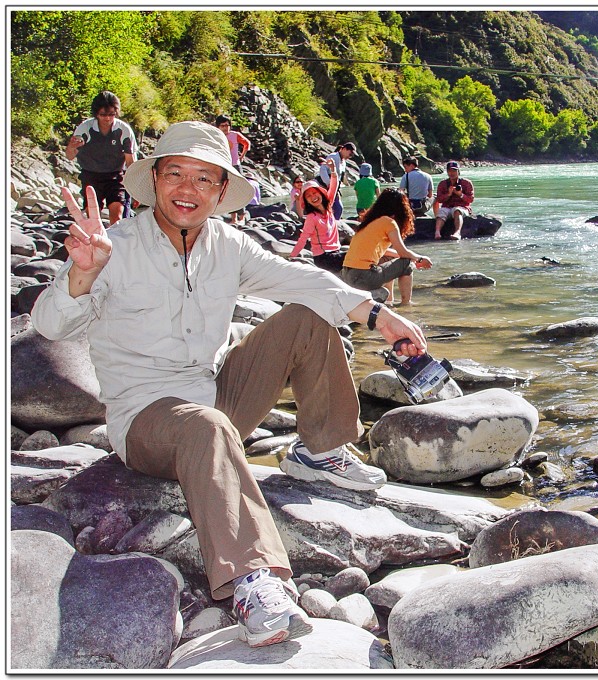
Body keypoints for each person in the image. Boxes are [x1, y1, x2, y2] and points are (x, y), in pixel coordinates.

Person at [31, 121, 429, 649]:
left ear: (221, 191)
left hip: (215, 396)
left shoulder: (228, 244)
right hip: (147, 419)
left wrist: (379, 314)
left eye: (204, 178)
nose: (188, 189)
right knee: (207, 427)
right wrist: (82, 272)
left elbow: (304, 279)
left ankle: (322, 451)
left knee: (305, 316)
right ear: (154, 180)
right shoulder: (114, 247)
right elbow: (49, 326)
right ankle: (253, 580)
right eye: (175, 173)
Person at [341, 188, 433, 306]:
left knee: (389, 259)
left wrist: (410, 257)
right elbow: (403, 253)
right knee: (406, 263)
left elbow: (383, 252)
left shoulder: (371, 222)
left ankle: (389, 301)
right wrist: (419, 259)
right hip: (363, 277)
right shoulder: (389, 222)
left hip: (348, 275)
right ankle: (406, 304)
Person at [65, 91, 137, 226]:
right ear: (96, 114)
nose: (107, 118)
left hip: (115, 176)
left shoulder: (123, 130)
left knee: (117, 216)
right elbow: (69, 156)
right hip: (90, 176)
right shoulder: (85, 128)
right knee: (93, 217)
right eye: (103, 115)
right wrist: (71, 146)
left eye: (111, 114)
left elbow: (130, 162)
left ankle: (115, 238)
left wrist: (135, 189)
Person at [289, 158, 345, 273]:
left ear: (321, 193)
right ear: (306, 201)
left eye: (315, 193)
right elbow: (303, 239)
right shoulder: (312, 217)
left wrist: (333, 170)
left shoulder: (328, 207)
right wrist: (292, 257)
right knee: (354, 256)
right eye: (308, 196)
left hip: (336, 252)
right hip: (324, 257)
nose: (313, 197)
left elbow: (333, 187)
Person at [433, 160, 474, 240]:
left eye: (454, 171)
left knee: (457, 210)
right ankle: (437, 232)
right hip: (447, 207)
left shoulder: (466, 183)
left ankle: (457, 232)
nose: (452, 173)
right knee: (441, 211)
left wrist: (460, 194)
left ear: (458, 171)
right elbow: (439, 199)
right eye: (449, 171)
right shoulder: (442, 184)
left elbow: (470, 199)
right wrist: (448, 194)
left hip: (462, 207)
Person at [318, 142, 356, 220]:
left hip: (334, 188)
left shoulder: (343, 162)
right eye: (350, 154)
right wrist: (328, 183)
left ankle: (333, 223)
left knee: (338, 208)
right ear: (344, 149)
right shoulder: (333, 156)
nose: (350, 156)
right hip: (325, 186)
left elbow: (340, 177)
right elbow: (323, 169)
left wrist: (337, 189)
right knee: (334, 208)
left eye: (352, 155)